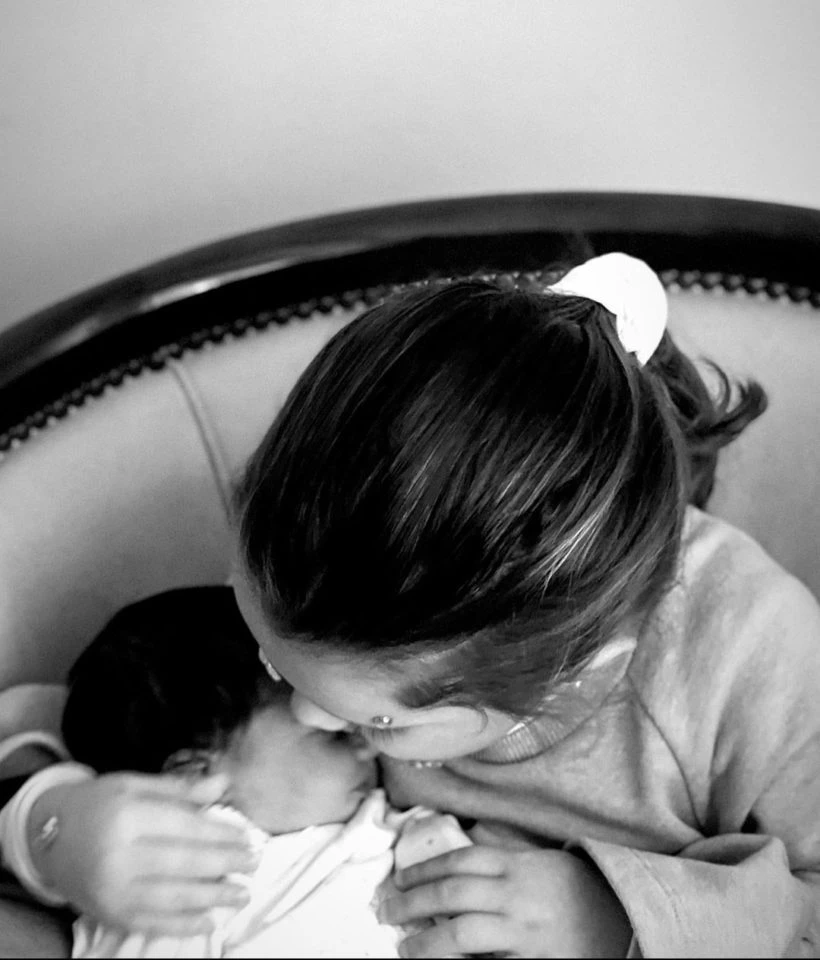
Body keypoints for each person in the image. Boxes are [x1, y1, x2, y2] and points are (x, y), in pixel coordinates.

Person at [2, 252, 820, 957]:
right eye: (268, 661)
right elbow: (58, 713)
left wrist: (619, 922)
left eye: (382, 724)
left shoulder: (751, 653)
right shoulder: (318, 580)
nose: (307, 715)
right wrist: (54, 826)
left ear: (572, 673)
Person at [5, 586, 472, 958]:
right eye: (333, 738)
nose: (368, 746)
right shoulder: (186, 881)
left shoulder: (387, 820)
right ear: (193, 777)